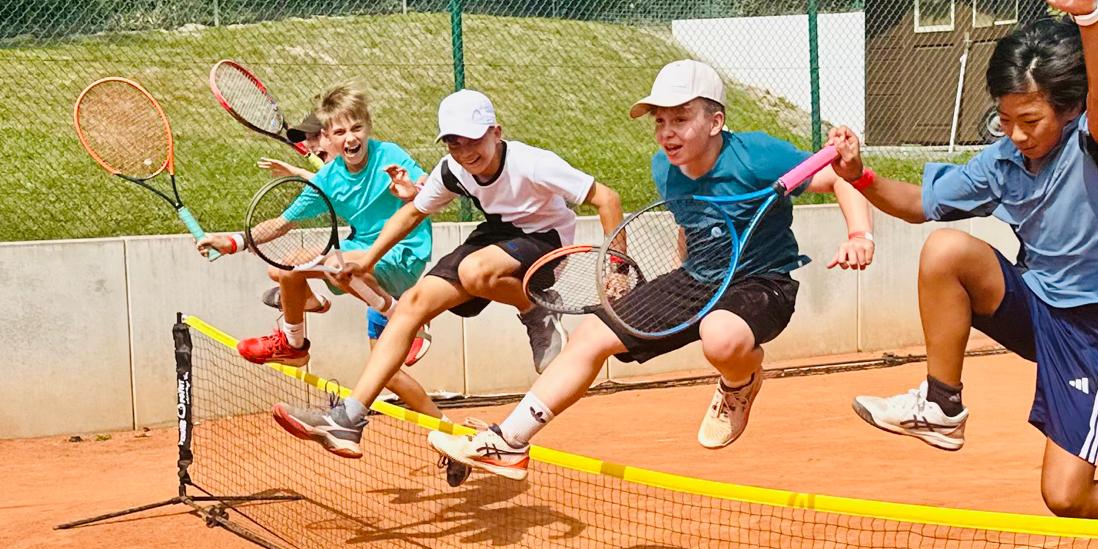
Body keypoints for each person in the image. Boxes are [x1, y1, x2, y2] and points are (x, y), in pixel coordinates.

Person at [828, 0, 1098, 549]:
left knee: (1066, 496)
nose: (1017, 133)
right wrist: (859, 175)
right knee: (946, 249)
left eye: (1030, 121)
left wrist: (1090, 16)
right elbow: (916, 204)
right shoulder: (1001, 162)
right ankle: (942, 405)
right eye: (1006, 119)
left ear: (1069, 109)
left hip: (1087, 324)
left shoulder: (1096, 144)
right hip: (1032, 300)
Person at [430, 59, 875, 480]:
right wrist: (674, 283)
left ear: (715, 122)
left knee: (720, 335)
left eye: (680, 119)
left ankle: (740, 381)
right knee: (591, 335)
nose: (666, 132)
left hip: (763, 282)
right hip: (697, 278)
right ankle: (509, 441)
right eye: (660, 121)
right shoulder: (665, 167)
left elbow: (838, 176)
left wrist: (859, 235)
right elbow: (691, 225)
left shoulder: (756, 155)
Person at [269, 88, 624, 458]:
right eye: (454, 142)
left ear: (496, 133)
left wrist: (617, 268)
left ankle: (536, 308)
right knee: (412, 304)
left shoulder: (532, 163)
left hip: (547, 242)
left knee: (474, 271)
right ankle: (348, 418)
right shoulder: (453, 170)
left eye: (473, 140)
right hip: (496, 236)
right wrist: (368, 260)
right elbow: (412, 212)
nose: (465, 152)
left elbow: (607, 199)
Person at [197, 84, 440, 416]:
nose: (350, 138)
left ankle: (404, 319)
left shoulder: (389, 154)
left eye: (357, 128)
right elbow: (282, 223)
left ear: (368, 127)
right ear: (328, 136)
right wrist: (234, 242)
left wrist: (414, 190)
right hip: (364, 266)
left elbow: (427, 184)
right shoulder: (327, 179)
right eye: (340, 132)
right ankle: (294, 344)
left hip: (403, 254)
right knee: (285, 268)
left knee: (334, 265)